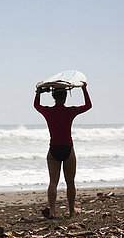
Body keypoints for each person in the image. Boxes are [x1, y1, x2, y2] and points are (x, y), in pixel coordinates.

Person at [34, 82, 92, 218]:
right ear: (65, 97)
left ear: (54, 96)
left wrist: (39, 92)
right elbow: (88, 106)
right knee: (70, 182)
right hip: (67, 148)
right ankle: (71, 211)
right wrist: (84, 89)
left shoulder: (48, 111)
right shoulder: (70, 111)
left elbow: (36, 105)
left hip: (54, 148)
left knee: (53, 182)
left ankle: (53, 212)